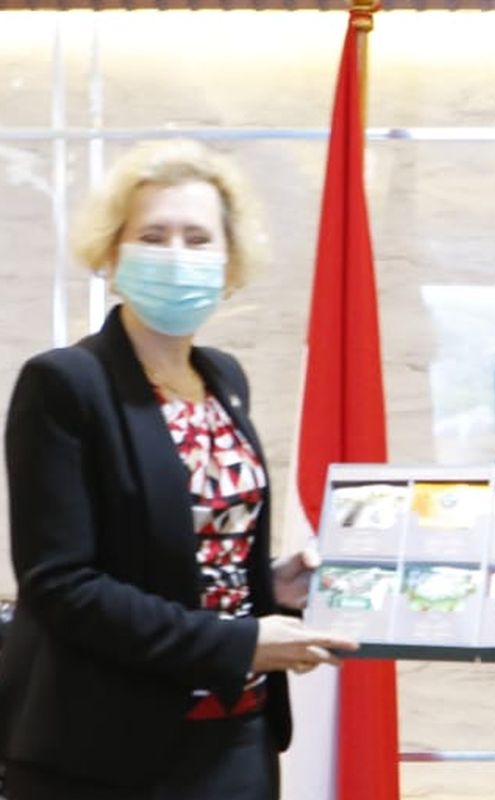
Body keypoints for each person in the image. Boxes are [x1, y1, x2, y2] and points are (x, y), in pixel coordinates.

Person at [0, 140, 357, 800]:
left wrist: (267, 587)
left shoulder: (224, 377)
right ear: (113, 253)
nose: (177, 254)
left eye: (198, 238)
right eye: (153, 235)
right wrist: (236, 643)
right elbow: (60, 584)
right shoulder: (65, 384)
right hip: (104, 748)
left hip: (236, 729)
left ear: (229, 261)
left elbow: (192, 545)